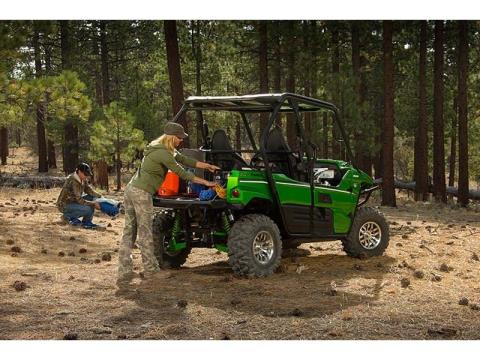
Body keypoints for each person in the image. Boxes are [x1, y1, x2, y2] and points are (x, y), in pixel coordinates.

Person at [117, 122, 220, 287]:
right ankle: (151, 272)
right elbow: (182, 172)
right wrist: (207, 183)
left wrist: (206, 165)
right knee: (145, 233)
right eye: (179, 138)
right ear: (172, 137)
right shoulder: (163, 153)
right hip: (141, 193)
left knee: (129, 232)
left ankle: (124, 272)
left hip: (131, 189)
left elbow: (185, 159)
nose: (181, 141)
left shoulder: (160, 147)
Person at [56, 163, 102, 229]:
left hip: (74, 201)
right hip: (64, 204)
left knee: (93, 198)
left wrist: (100, 197)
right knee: (88, 208)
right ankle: (67, 217)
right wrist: (93, 203)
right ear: (79, 172)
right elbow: (79, 200)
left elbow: (89, 190)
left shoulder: (82, 178)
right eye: (85, 174)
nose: (86, 176)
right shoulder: (72, 180)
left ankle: (87, 222)